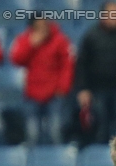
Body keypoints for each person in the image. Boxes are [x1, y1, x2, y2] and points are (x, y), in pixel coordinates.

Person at [75, 1, 116, 144]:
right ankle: (100, 159)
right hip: (98, 89)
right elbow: (82, 65)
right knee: (100, 125)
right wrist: (83, 88)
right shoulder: (91, 36)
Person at [10, 15, 75, 144]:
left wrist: (63, 87)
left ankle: (58, 160)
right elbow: (17, 59)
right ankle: (32, 161)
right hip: (33, 93)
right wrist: (31, 45)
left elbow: (68, 65)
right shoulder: (25, 40)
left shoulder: (59, 40)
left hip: (55, 93)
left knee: (55, 130)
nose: (43, 28)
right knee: (32, 132)